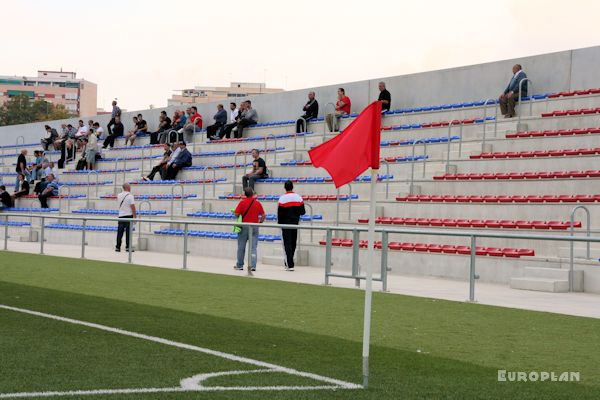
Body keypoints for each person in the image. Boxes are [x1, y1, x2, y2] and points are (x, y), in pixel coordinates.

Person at [234, 187, 265, 272]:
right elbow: (263, 215)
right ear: (252, 194)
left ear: (245, 194)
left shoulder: (242, 202)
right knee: (253, 247)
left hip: (244, 226)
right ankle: (253, 266)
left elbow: (236, 214)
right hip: (254, 226)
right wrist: (259, 223)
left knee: (241, 247)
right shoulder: (257, 203)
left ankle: (240, 265)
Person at [277, 181, 306, 271]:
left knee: (287, 243)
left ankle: (289, 263)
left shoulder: (282, 198)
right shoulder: (298, 197)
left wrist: (280, 223)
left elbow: (280, 214)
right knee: (293, 243)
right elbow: (303, 212)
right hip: (295, 223)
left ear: (285, 188)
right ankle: (290, 262)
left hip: (285, 223)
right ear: (293, 187)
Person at [115, 183, 136, 252]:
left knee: (119, 233)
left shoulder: (119, 195)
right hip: (128, 216)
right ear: (127, 187)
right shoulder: (130, 196)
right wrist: (135, 217)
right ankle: (128, 247)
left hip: (121, 215)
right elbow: (133, 207)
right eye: (129, 186)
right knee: (128, 233)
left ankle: (118, 247)